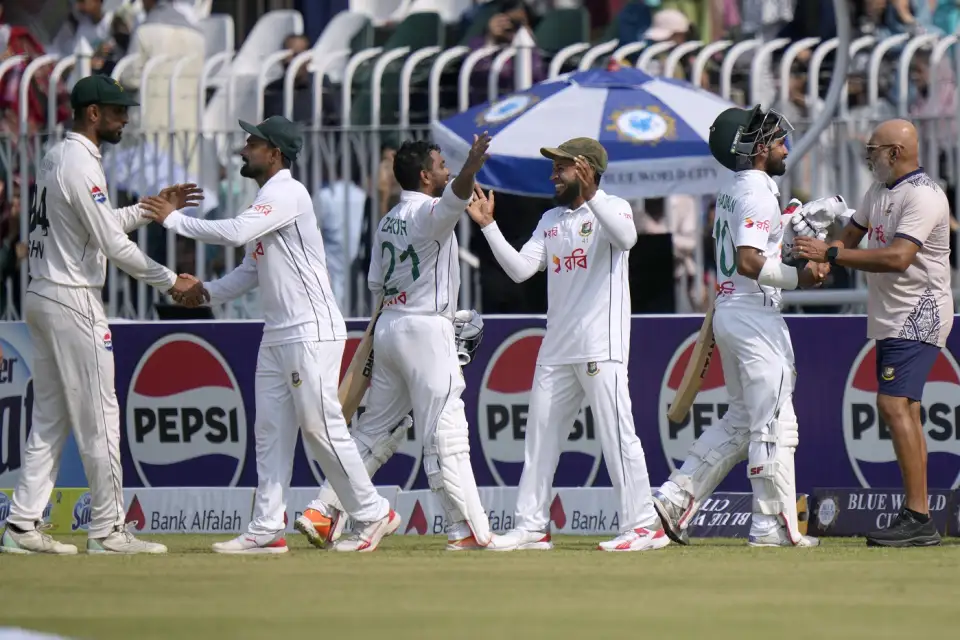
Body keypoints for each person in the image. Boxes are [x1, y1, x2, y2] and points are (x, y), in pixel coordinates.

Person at [139, 116, 400, 554]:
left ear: (274, 153)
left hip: (310, 329)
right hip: (279, 333)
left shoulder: (287, 193)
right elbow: (248, 271)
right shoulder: (267, 198)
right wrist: (204, 294)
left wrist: (173, 222)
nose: (244, 149)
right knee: (270, 432)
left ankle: (374, 514)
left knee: (320, 428)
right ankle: (266, 528)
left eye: (252, 143)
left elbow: (236, 231)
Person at [0, 74, 203, 555]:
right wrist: (170, 280)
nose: (124, 119)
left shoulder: (59, 156)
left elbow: (95, 225)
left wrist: (147, 210)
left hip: (43, 293)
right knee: (101, 416)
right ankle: (108, 530)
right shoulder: (81, 164)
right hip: (72, 298)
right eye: (116, 112)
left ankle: (23, 524)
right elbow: (111, 244)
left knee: (51, 417)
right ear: (93, 114)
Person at [291, 135, 499, 552]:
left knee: (373, 433)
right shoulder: (428, 213)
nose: (447, 170)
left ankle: (324, 510)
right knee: (446, 431)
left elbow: (376, 284)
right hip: (426, 330)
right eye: (440, 164)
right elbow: (457, 196)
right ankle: (471, 532)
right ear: (425, 176)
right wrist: (474, 164)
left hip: (389, 328)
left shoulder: (388, 218)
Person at [465, 137, 667, 552]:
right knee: (539, 439)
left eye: (562, 167)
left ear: (587, 169)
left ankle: (644, 526)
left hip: (600, 345)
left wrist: (592, 196)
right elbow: (521, 270)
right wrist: (489, 227)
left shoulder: (614, 207)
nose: (553, 175)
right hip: (557, 346)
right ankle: (532, 527)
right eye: (554, 168)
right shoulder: (550, 220)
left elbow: (627, 239)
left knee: (617, 435)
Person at [653, 105, 827, 548]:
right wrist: (800, 277)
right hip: (752, 313)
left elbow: (754, 247)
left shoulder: (735, 187)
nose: (785, 145)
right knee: (773, 423)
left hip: (734, 310)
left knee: (742, 419)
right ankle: (772, 526)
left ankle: (676, 497)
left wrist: (785, 226)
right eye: (776, 139)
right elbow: (751, 261)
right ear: (756, 148)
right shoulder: (755, 193)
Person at [794, 118, 952, 548]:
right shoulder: (880, 191)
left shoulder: (924, 195)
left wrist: (832, 253)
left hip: (918, 312)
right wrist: (825, 261)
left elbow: (899, 257)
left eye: (874, 150)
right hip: (892, 313)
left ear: (895, 153)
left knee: (892, 403)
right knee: (906, 410)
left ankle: (918, 516)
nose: (868, 157)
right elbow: (854, 232)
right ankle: (919, 515)